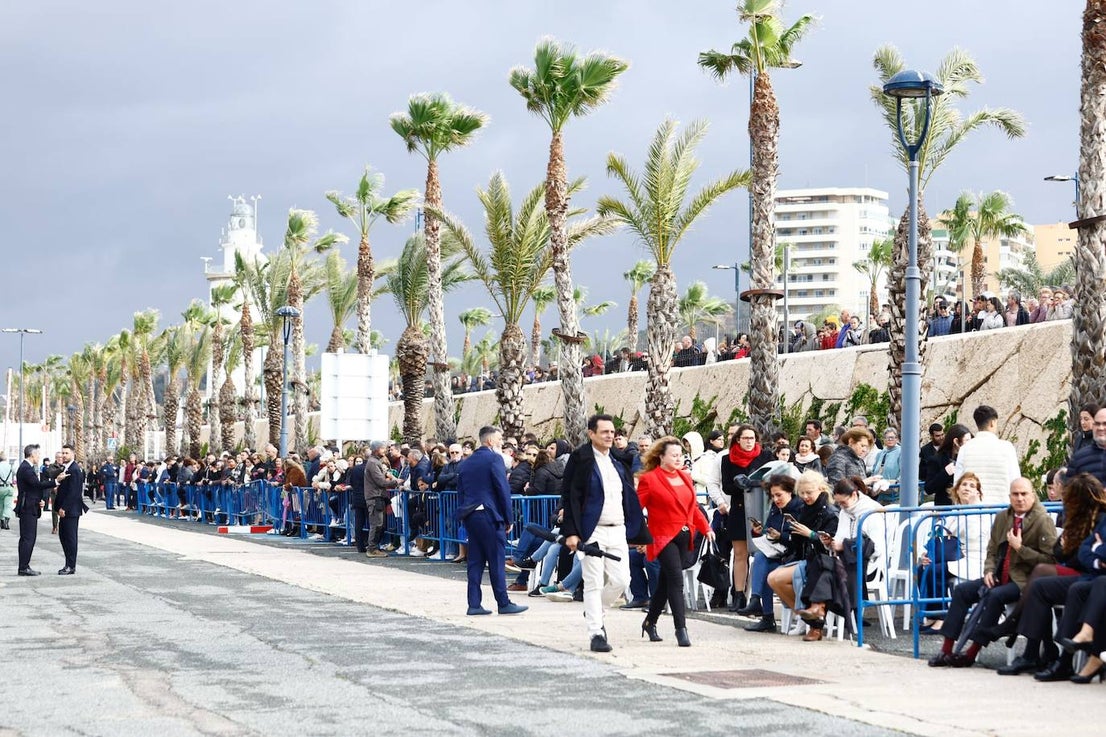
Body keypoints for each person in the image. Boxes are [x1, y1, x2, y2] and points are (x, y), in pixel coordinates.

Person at [928, 478, 1057, 668]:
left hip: (1024, 580)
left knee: (995, 596)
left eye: (1024, 494)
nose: (1020, 498)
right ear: (1010, 496)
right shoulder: (1003, 517)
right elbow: (992, 550)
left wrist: (1020, 548)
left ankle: (971, 653)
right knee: (962, 591)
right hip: (1000, 575)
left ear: (1033, 495)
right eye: (1015, 494)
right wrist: (988, 570)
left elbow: (1049, 560)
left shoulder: (1042, 520)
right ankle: (946, 650)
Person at [560, 413, 650, 653]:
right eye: (604, 432)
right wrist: (571, 532)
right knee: (594, 581)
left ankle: (594, 611)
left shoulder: (620, 460)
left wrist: (637, 531)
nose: (610, 436)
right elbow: (569, 497)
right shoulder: (580, 459)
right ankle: (596, 632)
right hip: (592, 530)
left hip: (618, 529)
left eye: (612, 432)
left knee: (622, 580)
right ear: (592, 434)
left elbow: (629, 496)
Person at [635, 437, 714, 647]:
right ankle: (681, 629)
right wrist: (638, 536)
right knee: (676, 580)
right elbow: (635, 510)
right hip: (662, 536)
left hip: (685, 534)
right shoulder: (650, 479)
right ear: (661, 456)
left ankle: (650, 621)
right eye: (674, 455)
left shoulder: (686, 478)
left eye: (680, 455)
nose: (678, 459)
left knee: (665, 582)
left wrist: (706, 528)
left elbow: (694, 508)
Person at [456, 425, 528, 617]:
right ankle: (503, 603)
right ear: (489, 441)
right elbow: (502, 489)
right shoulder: (494, 459)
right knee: (496, 559)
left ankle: (474, 604)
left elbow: (460, 492)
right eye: (499, 439)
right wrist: (508, 518)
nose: (501, 442)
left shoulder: (465, 463)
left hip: (471, 515)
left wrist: (464, 514)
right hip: (489, 514)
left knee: (475, 561)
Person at [766, 471, 839, 641]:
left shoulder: (829, 511)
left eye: (809, 492)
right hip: (805, 557)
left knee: (775, 578)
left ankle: (813, 624)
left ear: (821, 489)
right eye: (802, 493)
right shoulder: (804, 509)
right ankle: (807, 618)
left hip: (823, 561)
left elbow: (831, 543)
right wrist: (790, 535)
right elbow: (796, 543)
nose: (805, 496)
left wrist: (811, 534)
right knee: (773, 578)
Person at [719, 424, 776, 612]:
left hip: (762, 508)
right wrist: (742, 485)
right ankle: (738, 594)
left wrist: (756, 483)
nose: (749, 442)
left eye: (752, 438)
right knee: (740, 554)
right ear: (738, 439)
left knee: (762, 553)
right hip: (739, 507)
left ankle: (758, 596)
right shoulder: (728, 459)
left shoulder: (765, 456)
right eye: (745, 438)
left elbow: (774, 479)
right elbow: (727, 486)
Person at [743, 474, 805, 632]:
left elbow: (800, 540)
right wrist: (758, 532)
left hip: (794, 554)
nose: (776, 499)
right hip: (777, 552)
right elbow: (769, 532)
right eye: (773, 496)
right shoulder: (776, 509)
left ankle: (765, 614)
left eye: (779, 495)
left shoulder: (799, 508)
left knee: (764, 565)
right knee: (761, 557)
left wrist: (781, 536)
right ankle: (757, 602)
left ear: (790, 492)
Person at [954, 405, 1021, 505]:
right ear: (992, 423)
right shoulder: (1007, 447)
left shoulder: (965, 449)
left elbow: (957, 483)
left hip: (971, 512)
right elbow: (1015, 481)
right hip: (1000, 511)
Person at [14, 444, 62, 576]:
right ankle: (23, 567)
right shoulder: (26, 469)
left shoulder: (27, 468)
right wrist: (56, 481)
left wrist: (38, 500)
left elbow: (32, 489)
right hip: (28, 508)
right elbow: (37, 485)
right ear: (32, 455)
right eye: (38, 454)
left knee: (27, 538)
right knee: (28, 538)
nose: (39, 456)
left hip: (30, 505)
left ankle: (24, 565)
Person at [363, 440, 400, 558]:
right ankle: (372, 549)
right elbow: (380, 481)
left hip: (377, 496)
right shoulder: (373, 463)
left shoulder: (374, 462)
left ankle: (374, 548)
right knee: (376, 524)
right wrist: (395, 482)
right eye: (383, 448)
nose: (385, 451)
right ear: (376, 449)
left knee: (379, 523)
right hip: (375, 497)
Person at [54, 444, 86, 575]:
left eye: (66, 453)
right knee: (63, 536)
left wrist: (63, 507)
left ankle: (70, 566)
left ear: (73, 454)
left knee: (70, 538)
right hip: (64, 509)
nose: (64, 455)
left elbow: (74, 492)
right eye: (63, 453)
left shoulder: (74, 469)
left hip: (70, 510)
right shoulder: (66, 468)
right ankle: (68, 563)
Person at [0, 452, 15, 529]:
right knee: (8, 506)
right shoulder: (10, 466)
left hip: (0, 488)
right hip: (9, 487)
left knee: (0, 505)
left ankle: (1, 521)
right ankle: (6, 523)